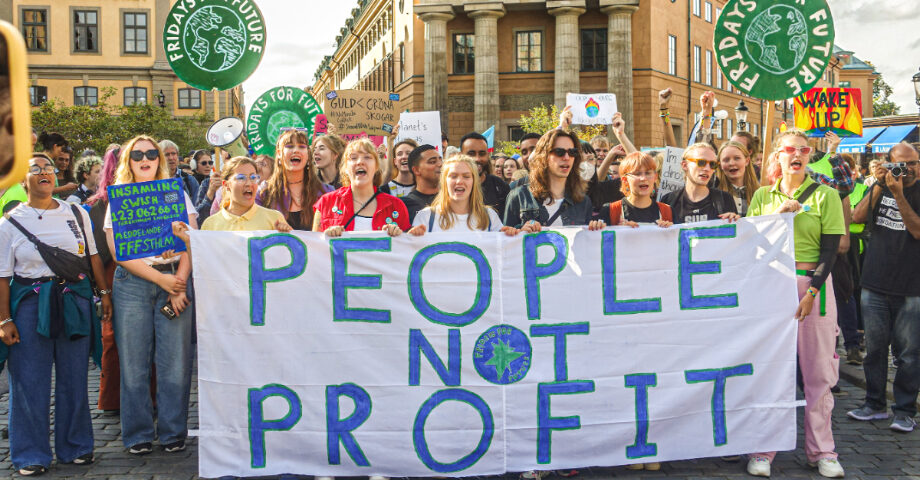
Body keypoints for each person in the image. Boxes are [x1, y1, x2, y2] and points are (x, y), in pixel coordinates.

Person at [0, 153, 112, 476]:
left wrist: (103, 294)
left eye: (48, 168)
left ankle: (76, 446)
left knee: (74, 379)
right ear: (24, 181)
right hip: (31, 304)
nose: (44, 173)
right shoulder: (9, 223)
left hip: (73, 301)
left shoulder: (75, 212)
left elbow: (92, 257)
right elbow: (3, 276)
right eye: (35, 169)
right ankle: (30, 454)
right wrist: (4, 319)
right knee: (29, 382)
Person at [746, 129, 845, 478]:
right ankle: (763, 449)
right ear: (778, 156)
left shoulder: (826, 196)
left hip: (811, 286)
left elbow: (831, 250)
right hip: (772, 285)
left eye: (804, 149)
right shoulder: (762, 195)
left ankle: (823, 451)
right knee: (773, 370)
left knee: (818, 373)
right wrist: (778, 218)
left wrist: (812, 290)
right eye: (790, 149)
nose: (797, 154)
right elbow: (752, 244)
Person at [104, 135, 198, 455]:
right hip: (133, 284)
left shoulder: (176, 194)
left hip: (175, 281)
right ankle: (138, 433)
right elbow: (118, 252)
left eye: (151, 153)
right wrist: (160, 279)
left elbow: (191, 240)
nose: (145, 159)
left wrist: (178, 283)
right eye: (137, 154)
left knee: (175, 363)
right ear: (128, 162)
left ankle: (173, 432)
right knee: (134, 363)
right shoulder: (118, 198)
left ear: (159, 159)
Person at [847, 142, 920, 433]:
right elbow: (857, 217)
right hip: (875, 281)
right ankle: (874, 404)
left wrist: (900, 196)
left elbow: (917, 230)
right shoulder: (881, 185)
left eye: (913, 163)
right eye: (901, 164)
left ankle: (904, 410)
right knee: (875, 350)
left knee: (909, 353)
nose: (908, 169)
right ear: (888, 164)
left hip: (912, 287)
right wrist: (878, 184)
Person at [172, 157, 292, 250]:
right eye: (241, 178)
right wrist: (188, 242)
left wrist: (288, 238)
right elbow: (205, 266)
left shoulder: (274, 218)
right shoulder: (210, 225)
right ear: (226, 185)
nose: (249, 183)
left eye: (253, 177)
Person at [503, 128, 604, 231]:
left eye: (572, 152)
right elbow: (506, 242)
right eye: (559, 152)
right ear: (544, 156)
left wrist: (595, 230)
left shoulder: (583, 201)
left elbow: (584, 243)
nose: (566, 157)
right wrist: (520, 232)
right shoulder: (519, 196)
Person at [86, 147, 123, 413]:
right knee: (112, 340)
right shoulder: (98, 205)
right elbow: (96, 254)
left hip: (147, 274)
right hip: (112, 275)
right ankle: (112, 399)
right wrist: (104, 292)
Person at [312, 138, 410, 236]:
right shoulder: (326, 202)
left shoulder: (397, 206)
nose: (360, 162)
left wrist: (399, 236)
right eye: (353, 158)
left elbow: (408, 248)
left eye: (367, 157)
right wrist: (326, 238)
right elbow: (314, 246)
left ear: (376, 166)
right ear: (345, 168)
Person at [408, 155, 513, 235]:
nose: (459, 181)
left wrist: (512, 234)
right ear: (444, 181)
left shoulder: (489, 216)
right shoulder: (425, 217)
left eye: (466, 176)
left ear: (474, 181)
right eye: (453, 176)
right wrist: (412, 239)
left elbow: (502, 254)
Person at [257, 130, 334, 231]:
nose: (296, 150)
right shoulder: (264, 192)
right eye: (290, 146)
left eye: (302, 146)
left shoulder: (328, 193)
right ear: (279, 154)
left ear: (307, 154)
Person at [662, 143, 739, 224]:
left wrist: (734, 221)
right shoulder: (668, 201)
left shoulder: (724, 199)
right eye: (701, 162)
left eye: (713, 164)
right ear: (685, 165)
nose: (707, 168)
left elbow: (735, 234)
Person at [599, 152, 672, 229]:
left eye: (648, 173)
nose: (643, 178)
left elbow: (680, 238)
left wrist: (671, 232)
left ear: (655, 177)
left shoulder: (668, 212)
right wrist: (618, 232)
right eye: (637, 174)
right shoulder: (611, 211)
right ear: (625, 179)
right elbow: (597, 238)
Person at [460, 132, 510, 221]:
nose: (477, 159)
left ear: (488, 155)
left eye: (482, 154)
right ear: (460, 155)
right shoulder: (451, 187)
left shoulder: (500, 186)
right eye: (471, 154)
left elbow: (509, 224)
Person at [715, 141, 760, 215]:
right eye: (726, 160)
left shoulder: (760, 193)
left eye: (737, 158)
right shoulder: (714, 195)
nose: (731, 163)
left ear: (747, 161)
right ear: (720, 165)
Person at [400, 145, 443, 223]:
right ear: (416, 170)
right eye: (432, 162)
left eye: (441, 160)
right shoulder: (403, 206)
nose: (440, 164)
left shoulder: (452, 200)